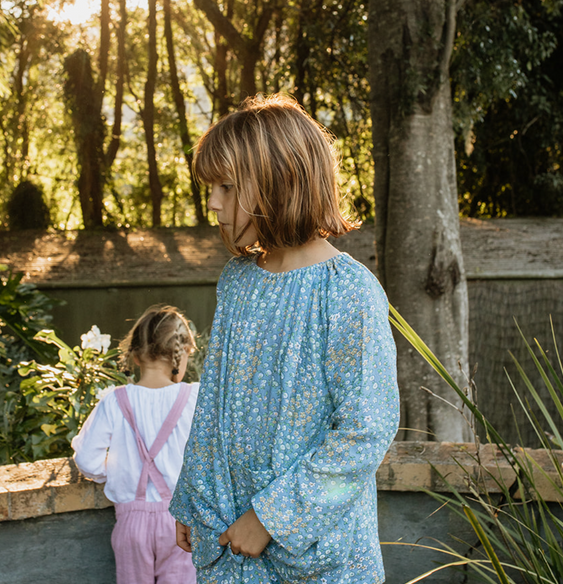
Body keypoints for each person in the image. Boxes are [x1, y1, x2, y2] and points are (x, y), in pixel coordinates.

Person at [169, 94, 400, 584]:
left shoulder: (348, 291)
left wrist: (271, 519)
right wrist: (192, 497)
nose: (212, 203)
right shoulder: (237, 280)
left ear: (282, 181)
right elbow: (215, 404)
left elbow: (366, 429)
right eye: (210, 187)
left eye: (228, 187)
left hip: (317, 561)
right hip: (229, 546)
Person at [72, 305, 199, 584]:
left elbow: (86, 460)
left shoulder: (115, 401)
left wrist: (119, 471)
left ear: (135, 355)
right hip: (182, 522)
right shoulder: (194, 398)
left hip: (131, 525)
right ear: (182, 352)